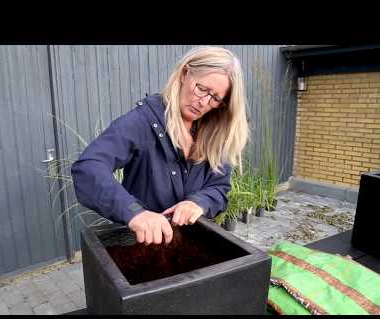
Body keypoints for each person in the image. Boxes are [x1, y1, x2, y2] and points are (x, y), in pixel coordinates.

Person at [71, 46, 249, 246]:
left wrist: (199, 202)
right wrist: (134, 213)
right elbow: (88, 168)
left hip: (192, 246)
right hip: (142, 249)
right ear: (184, 73)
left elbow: (219, 187)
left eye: (215, 98)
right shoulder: (141, 122)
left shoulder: (214, 133)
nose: (203, 102)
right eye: (202, 89)